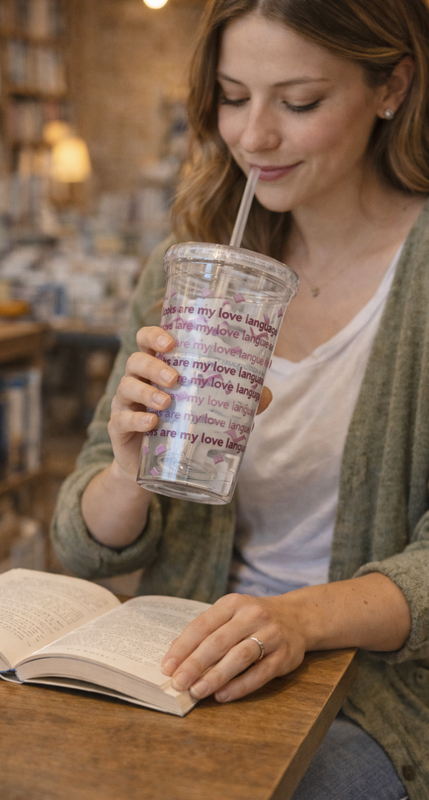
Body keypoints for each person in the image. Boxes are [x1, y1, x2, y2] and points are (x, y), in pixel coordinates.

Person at [52, 0, 429, 796]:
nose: (254, 136)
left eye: (298, 103)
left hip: (369, 692)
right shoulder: (188, 268)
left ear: (390, 86)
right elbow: (84, 546)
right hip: (181, 657)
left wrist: (296, 619)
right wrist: (127, 469)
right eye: (231, 96)